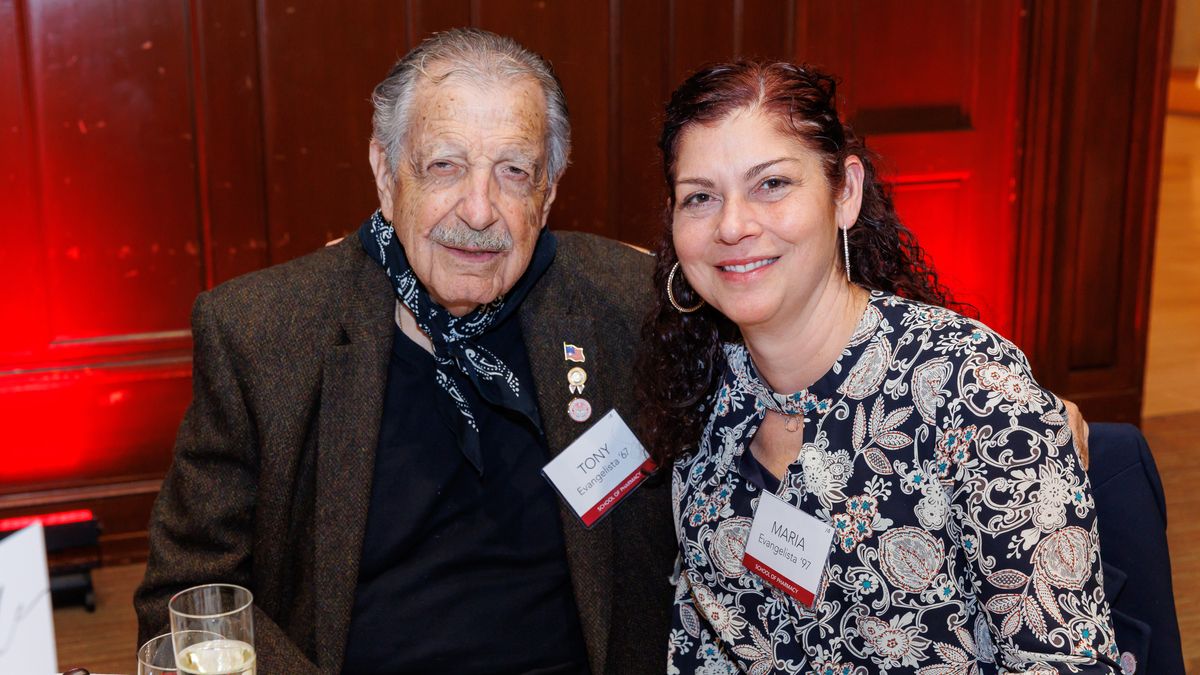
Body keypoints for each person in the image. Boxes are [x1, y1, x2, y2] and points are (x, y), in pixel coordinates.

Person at [134, 29, 676, 673]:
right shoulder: (264, 334)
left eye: (514, 171)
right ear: (386, 174)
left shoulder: (634, 306)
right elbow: (186, 597)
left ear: (549, 190)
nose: (479, 210)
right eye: (444, 165)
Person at [638, 61, 1121, 673]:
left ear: (845, 193)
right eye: (701, 197)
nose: (733, 226)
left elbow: (1064, 662)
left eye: (772, 185)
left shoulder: (968, 390)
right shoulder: (702, 383)